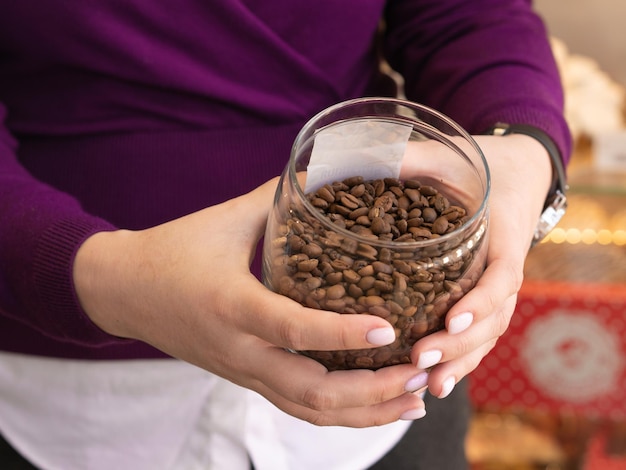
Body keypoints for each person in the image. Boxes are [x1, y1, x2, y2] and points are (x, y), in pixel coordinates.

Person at [0, 1, 571, 469]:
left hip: (390, 388)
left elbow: (466, 16)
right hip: (55, 404)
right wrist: (95, 276)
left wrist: (520, 146)